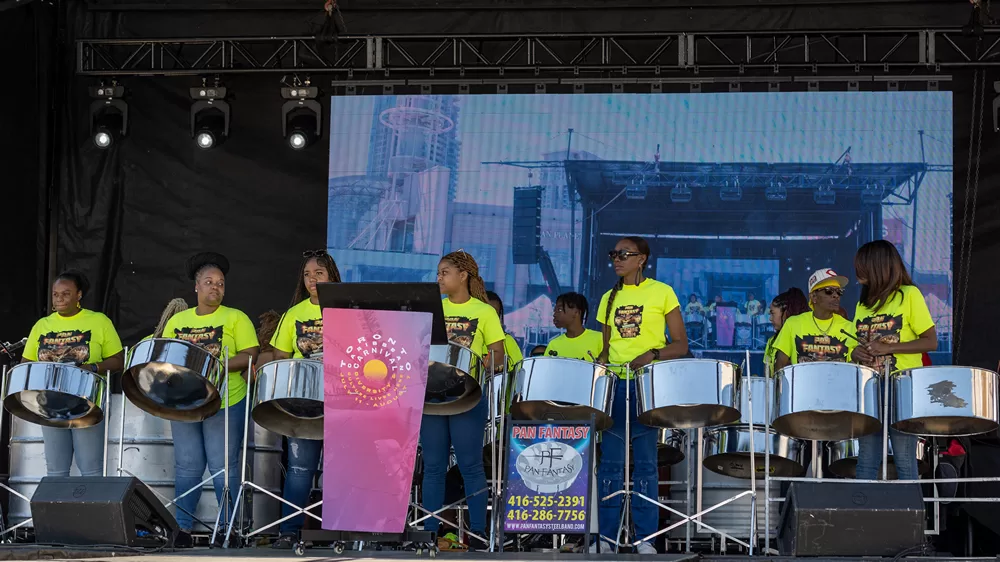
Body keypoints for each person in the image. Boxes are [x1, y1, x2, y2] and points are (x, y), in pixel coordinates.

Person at [593, 236, 688, 554]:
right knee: (611, 465)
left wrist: (652, 355)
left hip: (648, 384)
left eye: (624, 254)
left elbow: (681, 345)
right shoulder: (608, 298)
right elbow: (605, 351)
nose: (617, 259)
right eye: (613, 254)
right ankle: (607, 537)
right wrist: (600, 364)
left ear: (642, 259)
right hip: (617, 386)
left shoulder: (662, 292)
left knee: (646, 464)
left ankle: (646, 538)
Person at [163, 252, 259, 547]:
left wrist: (218, 365)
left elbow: (250, 355)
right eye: (208, 282)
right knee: (188, 466)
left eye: (220, 283)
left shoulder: (235, 317)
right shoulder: (178, 320)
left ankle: (227, 529)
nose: (215, 287)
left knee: (223, 466)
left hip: (225, 401)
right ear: (196, 287)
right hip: (185, 403)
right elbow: (165, 356)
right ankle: (181, 529)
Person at [422, 250, 505, 550]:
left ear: (463, 275)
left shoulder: (484, 312)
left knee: (470, 465)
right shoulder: (433, 309)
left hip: (467, 396)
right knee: (433, 466)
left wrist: (485, 362)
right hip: (433, 396)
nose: (439, 278)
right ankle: (430, 533)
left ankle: (479, 534)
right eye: (438, 272)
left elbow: (499, 353)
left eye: (444, 272)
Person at [268, 250, 341, 547]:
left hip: (340, 399)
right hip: (305, 401)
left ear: (331, 276)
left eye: (319, 274)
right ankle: (289, 531)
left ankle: (341, 530)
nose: (312, 280)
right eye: (308, 274)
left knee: (340, 468)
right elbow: (280, 357)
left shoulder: (346, 309)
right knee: (300, 469)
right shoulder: (293, 314)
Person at [21, 270, 124, 478]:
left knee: (91, 469)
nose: (59, 299)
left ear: (79, 295)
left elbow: (118, 360)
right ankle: (57, 511)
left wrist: (93, 368)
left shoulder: (99, 321)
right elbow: (27, 362)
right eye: (55, 294)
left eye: (66, 293)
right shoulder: (43, 325)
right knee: (56, 470)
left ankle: (91, 511)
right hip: (51, 403)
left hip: (87, 402)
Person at [852, 240, 936, 481]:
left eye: (861, 267)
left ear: (876, 267)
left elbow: (930, 342)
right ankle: (862, 516)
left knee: (905, 460)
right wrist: (857, 352)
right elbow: (858, 342)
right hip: (871, 388)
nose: (857, 273)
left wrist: (888, 347)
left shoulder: (909, 295)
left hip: (903, 388)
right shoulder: (863, 303)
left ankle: (911, 518)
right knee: (866, 459)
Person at [773, 269, 857, 370]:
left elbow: (853, 368)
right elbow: (780, 366)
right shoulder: (793, 323)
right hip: (802, 385)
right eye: (828, 291)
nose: (835, 296)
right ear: (814, 297)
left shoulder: (849, 327)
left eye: (839, 292)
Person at [762, 288, 809, 375]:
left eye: (773, 313)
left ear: (786, 313)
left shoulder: (807, 338)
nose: (770, 318)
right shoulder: (771, 342)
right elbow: (768, 379)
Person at [546, 292, 603, 361]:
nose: (554, 315)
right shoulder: (553, 344)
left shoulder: (600, 339)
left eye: (559, 310)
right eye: (554, 311)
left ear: (576, 313)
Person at [486, 291, 524, 371]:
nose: (491, 316)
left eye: (495, 313)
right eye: (487, 312)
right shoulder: (471, 338)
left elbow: (519, 371)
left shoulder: (508, 340)